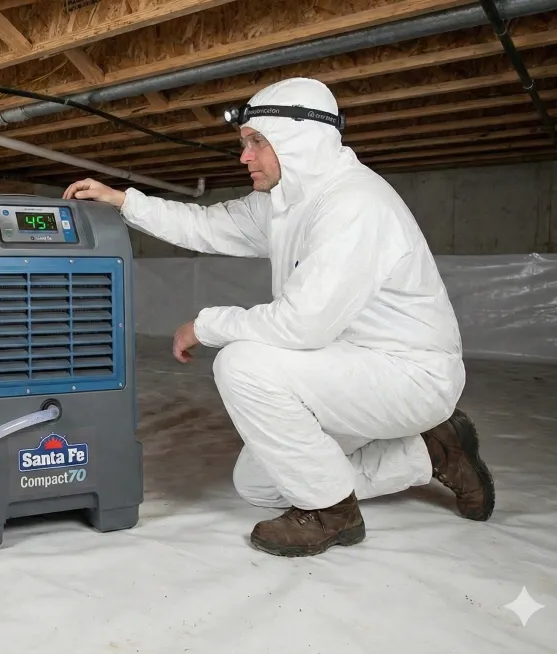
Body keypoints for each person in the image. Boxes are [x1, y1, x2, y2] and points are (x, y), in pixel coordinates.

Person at [62, 77, 495, 557]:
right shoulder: (288, 201)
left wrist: (205, 325)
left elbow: (301, 325)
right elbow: (205, 225)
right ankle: (434, 451)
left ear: (300, 141)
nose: (244, 157)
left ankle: (333, 515)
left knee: (242, 363)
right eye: (244, 143)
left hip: (409, 375)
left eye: (256, 142)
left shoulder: (354, 204)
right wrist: (125, 202)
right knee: (259, 485)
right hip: (347, 368)